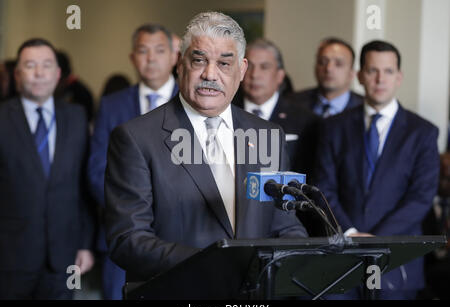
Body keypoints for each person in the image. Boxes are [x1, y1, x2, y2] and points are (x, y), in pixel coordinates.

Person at [104, 11, 308, 285]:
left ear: (242, 70)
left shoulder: (266, 135)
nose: (210, 74)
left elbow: (285, 226)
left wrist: (299, 257)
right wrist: (214, 267)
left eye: (225, 63)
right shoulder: (135, 138)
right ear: (180, 63)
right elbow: (128, 240)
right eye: (199, 60)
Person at [314, 40, 439, 299]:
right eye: (372, 71)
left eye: (388, 71)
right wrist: (349, 232)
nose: (380, 79)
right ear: (360, 75)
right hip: (341, 258)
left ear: (399, 77)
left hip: (397, 262)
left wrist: (375, 238)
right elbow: (323, 187)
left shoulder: (423, 132)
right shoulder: (333, 127)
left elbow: (421, 197)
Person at [87, 23, 178, 300]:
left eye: (159, 50)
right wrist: (133, 208)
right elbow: (96, 170)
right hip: (122, 235)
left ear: (175, 56)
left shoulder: (195, 103)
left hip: (179, 237)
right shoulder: (112, 105)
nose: (151, 58)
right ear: (132, 58)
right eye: (143, 51)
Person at [0, 38, 94, 299]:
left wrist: (85, 245)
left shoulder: (76, 117)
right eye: (30, 65)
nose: (39, 73)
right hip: (9, 259)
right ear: (17, 73)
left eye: (46, 65)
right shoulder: (2, 118)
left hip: (63, 257)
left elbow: (83, 187)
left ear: (58, 73)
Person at [233, 38, 319, 176]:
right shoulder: (224, 112)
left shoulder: (305, 120)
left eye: (264, 67)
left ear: (280, 76)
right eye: (250, 67)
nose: (255, 75)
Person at [293, 37, 363, 117]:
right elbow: (276, 129)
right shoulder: (291, 102)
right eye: (323, 62)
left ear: (352, 73)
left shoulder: (365, 108)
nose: (328, 68)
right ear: (315, 67)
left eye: (338, 64)